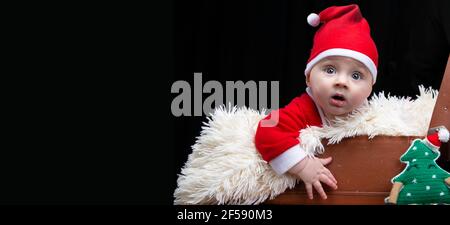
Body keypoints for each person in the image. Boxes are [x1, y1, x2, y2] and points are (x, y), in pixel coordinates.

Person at [254, 4, 379, 200]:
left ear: (371, 87)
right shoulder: (302, 109)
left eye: (356, 75)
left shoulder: (373, 116)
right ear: (308, 77)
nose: (341, 82)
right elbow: (267, 129)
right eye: (330, 70)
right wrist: (302, 165)